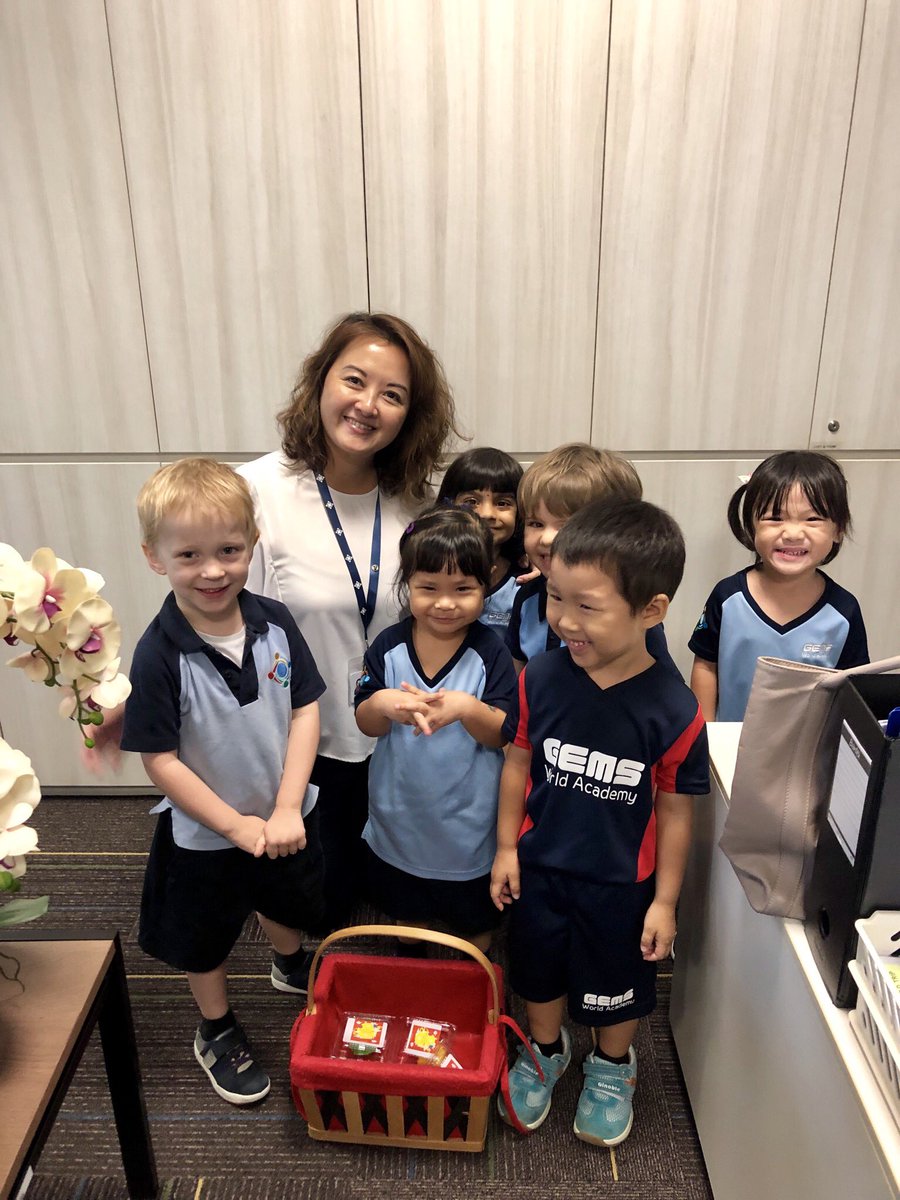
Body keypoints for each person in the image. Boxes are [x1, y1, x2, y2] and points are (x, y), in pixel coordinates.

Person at [490, 497, 709, 1146]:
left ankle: (612, 1064)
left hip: (620, 884)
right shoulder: (541, 679)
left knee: (617, 989)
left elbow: (675, 811)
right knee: (536, 973)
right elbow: (517, 764)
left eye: (587, 607)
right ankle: (547, 1048)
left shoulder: (674, 710)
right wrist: (505, 848)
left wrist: (665, 902)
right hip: (540, 868)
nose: (563, 620)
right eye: (556, 599)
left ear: (651, 610)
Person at [239, 312, 459, 931]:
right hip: (306, 737)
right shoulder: (256, 490)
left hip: (403, 732)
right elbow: (208, 606)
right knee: (320, 910)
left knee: (401, 895)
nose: (368, 405)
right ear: (320, 383)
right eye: (354, 381)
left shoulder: (418, 500)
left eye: (393, 395)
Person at [121, 459, 326, 1105]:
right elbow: (161, 761)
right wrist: (234, 825)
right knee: (203, 935)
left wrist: (288, 803)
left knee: (285, 899)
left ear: (252, 545)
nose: (213, 570)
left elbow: (304, 709)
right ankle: (215, 1028)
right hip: (206, 835)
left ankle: (288, 963)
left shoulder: (275, 621)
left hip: (281, 816)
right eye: (189, 555)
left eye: (229, 550)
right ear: (155, 558)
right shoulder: (158, 653)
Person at [355, 505, 517, 952]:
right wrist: (383, 704)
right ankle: (411, 981)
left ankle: (471, 985)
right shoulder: (388, 647)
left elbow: (502, 732)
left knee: (473, 923)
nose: (446, 603)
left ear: (485, 583)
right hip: (400, 816)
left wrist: (468, 708)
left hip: (466, 826)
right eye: (429, 588)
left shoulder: (490, 653)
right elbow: (365, 723)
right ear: (407, 584)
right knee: (405, 918)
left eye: (463, 589)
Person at [689, 450, 868, 722]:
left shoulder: (844, 612)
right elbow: (706, 666)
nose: (793, 533)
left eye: (812, 519)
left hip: (806, 755)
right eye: (775, 518)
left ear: (838, 529)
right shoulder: (727, 597)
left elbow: (853, 692)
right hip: (728, 749)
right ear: (752, 524)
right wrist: (705, 738)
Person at [506, 443, 679, 677]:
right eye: (536, 523)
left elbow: (658, 694)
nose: (546, 538)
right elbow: (517, 677)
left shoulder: (634, 613)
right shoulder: (527, 598)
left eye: (566, 526)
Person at [437, 446, 525, 632]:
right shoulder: (428, 568)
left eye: (502, 503)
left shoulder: (524, 581)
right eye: (471, 502)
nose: (486, 514)